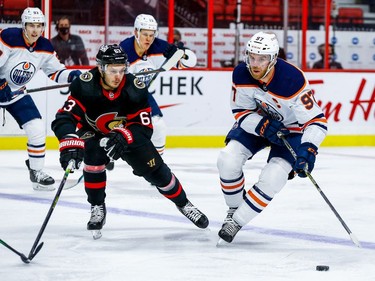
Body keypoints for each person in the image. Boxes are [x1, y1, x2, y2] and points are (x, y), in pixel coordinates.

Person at [51, 44, 208, 239]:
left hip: (127, 134)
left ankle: (184, 204)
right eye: (112, 70)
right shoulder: (85, 85)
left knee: (157, 173)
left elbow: (144, 126)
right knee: (91, 155)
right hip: (93, 131)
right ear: (100, 68)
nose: (118, 76)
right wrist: (69, 140)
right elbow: (64, 117)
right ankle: (97, 205)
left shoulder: (134, 87)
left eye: (122, 70)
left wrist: (125, 134)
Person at [216, 31, 328, 243]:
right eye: (252, 57)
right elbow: (241, 111)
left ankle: (237, 221)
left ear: (273, 59)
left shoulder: (292, 79)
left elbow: (317, 122)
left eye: (262, 58)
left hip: (292, 129)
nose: (255, 64)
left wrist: (308, 150)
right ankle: (233, 210)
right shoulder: (241, 73)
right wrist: (261, 125)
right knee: (227, 159)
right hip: (258, 121)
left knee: (273, 177)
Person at [0, 7, 81, 191]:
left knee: (36, 128)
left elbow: (55, 71)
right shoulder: (8, 38)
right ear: (23, 25)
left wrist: (71, 76)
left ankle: (36, 172)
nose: (35, 30)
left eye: (39, 25)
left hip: (16, 94)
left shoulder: (44, 46)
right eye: (31, 25)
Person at [119, 14, 197, 156]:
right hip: (120, 94)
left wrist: (181, 53)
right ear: (136, 32)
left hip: (141, 94)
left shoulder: (159, 47)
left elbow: (190, 62)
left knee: (158, 124)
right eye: (145, 34)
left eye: (151, 34)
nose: (148, 38)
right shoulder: (124, 49)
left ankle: (156, 164)